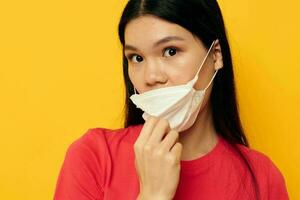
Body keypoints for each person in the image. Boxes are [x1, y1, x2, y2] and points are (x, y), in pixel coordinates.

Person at [53, 0, 289, 199]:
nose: (151, 76)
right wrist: (152, 195)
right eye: (136, 58)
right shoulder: (94, 156)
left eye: (171, 51)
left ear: (215, 55)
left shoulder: (262, 179)